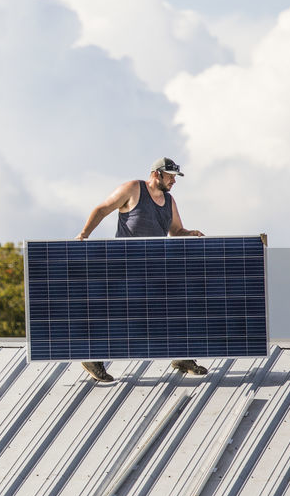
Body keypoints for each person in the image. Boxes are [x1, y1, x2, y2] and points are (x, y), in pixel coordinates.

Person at [76, 156, 206, 382]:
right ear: (157, 174)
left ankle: (182, 355)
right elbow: (102, 209)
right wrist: (84, 234)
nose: (173, 182)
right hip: (125, 264)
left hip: (153, 266)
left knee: (176, 304)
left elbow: (176, 231)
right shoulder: (133, 189)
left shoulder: (169, 201)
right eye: (170, 177)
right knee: (118, 313)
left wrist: (189, 233)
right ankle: (92, 356)